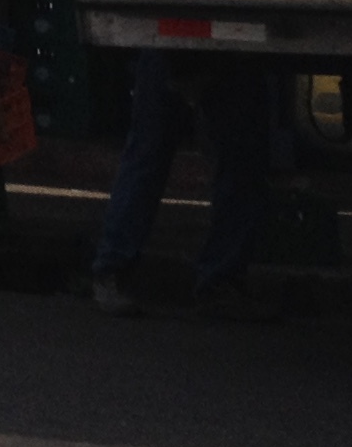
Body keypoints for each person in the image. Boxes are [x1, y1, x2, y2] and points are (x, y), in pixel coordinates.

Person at [87, 50, 275, 319]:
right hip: (224, 44)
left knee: (149, 152)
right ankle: (218, 281)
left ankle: (112, 269)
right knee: (236, 158)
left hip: (175, 37)